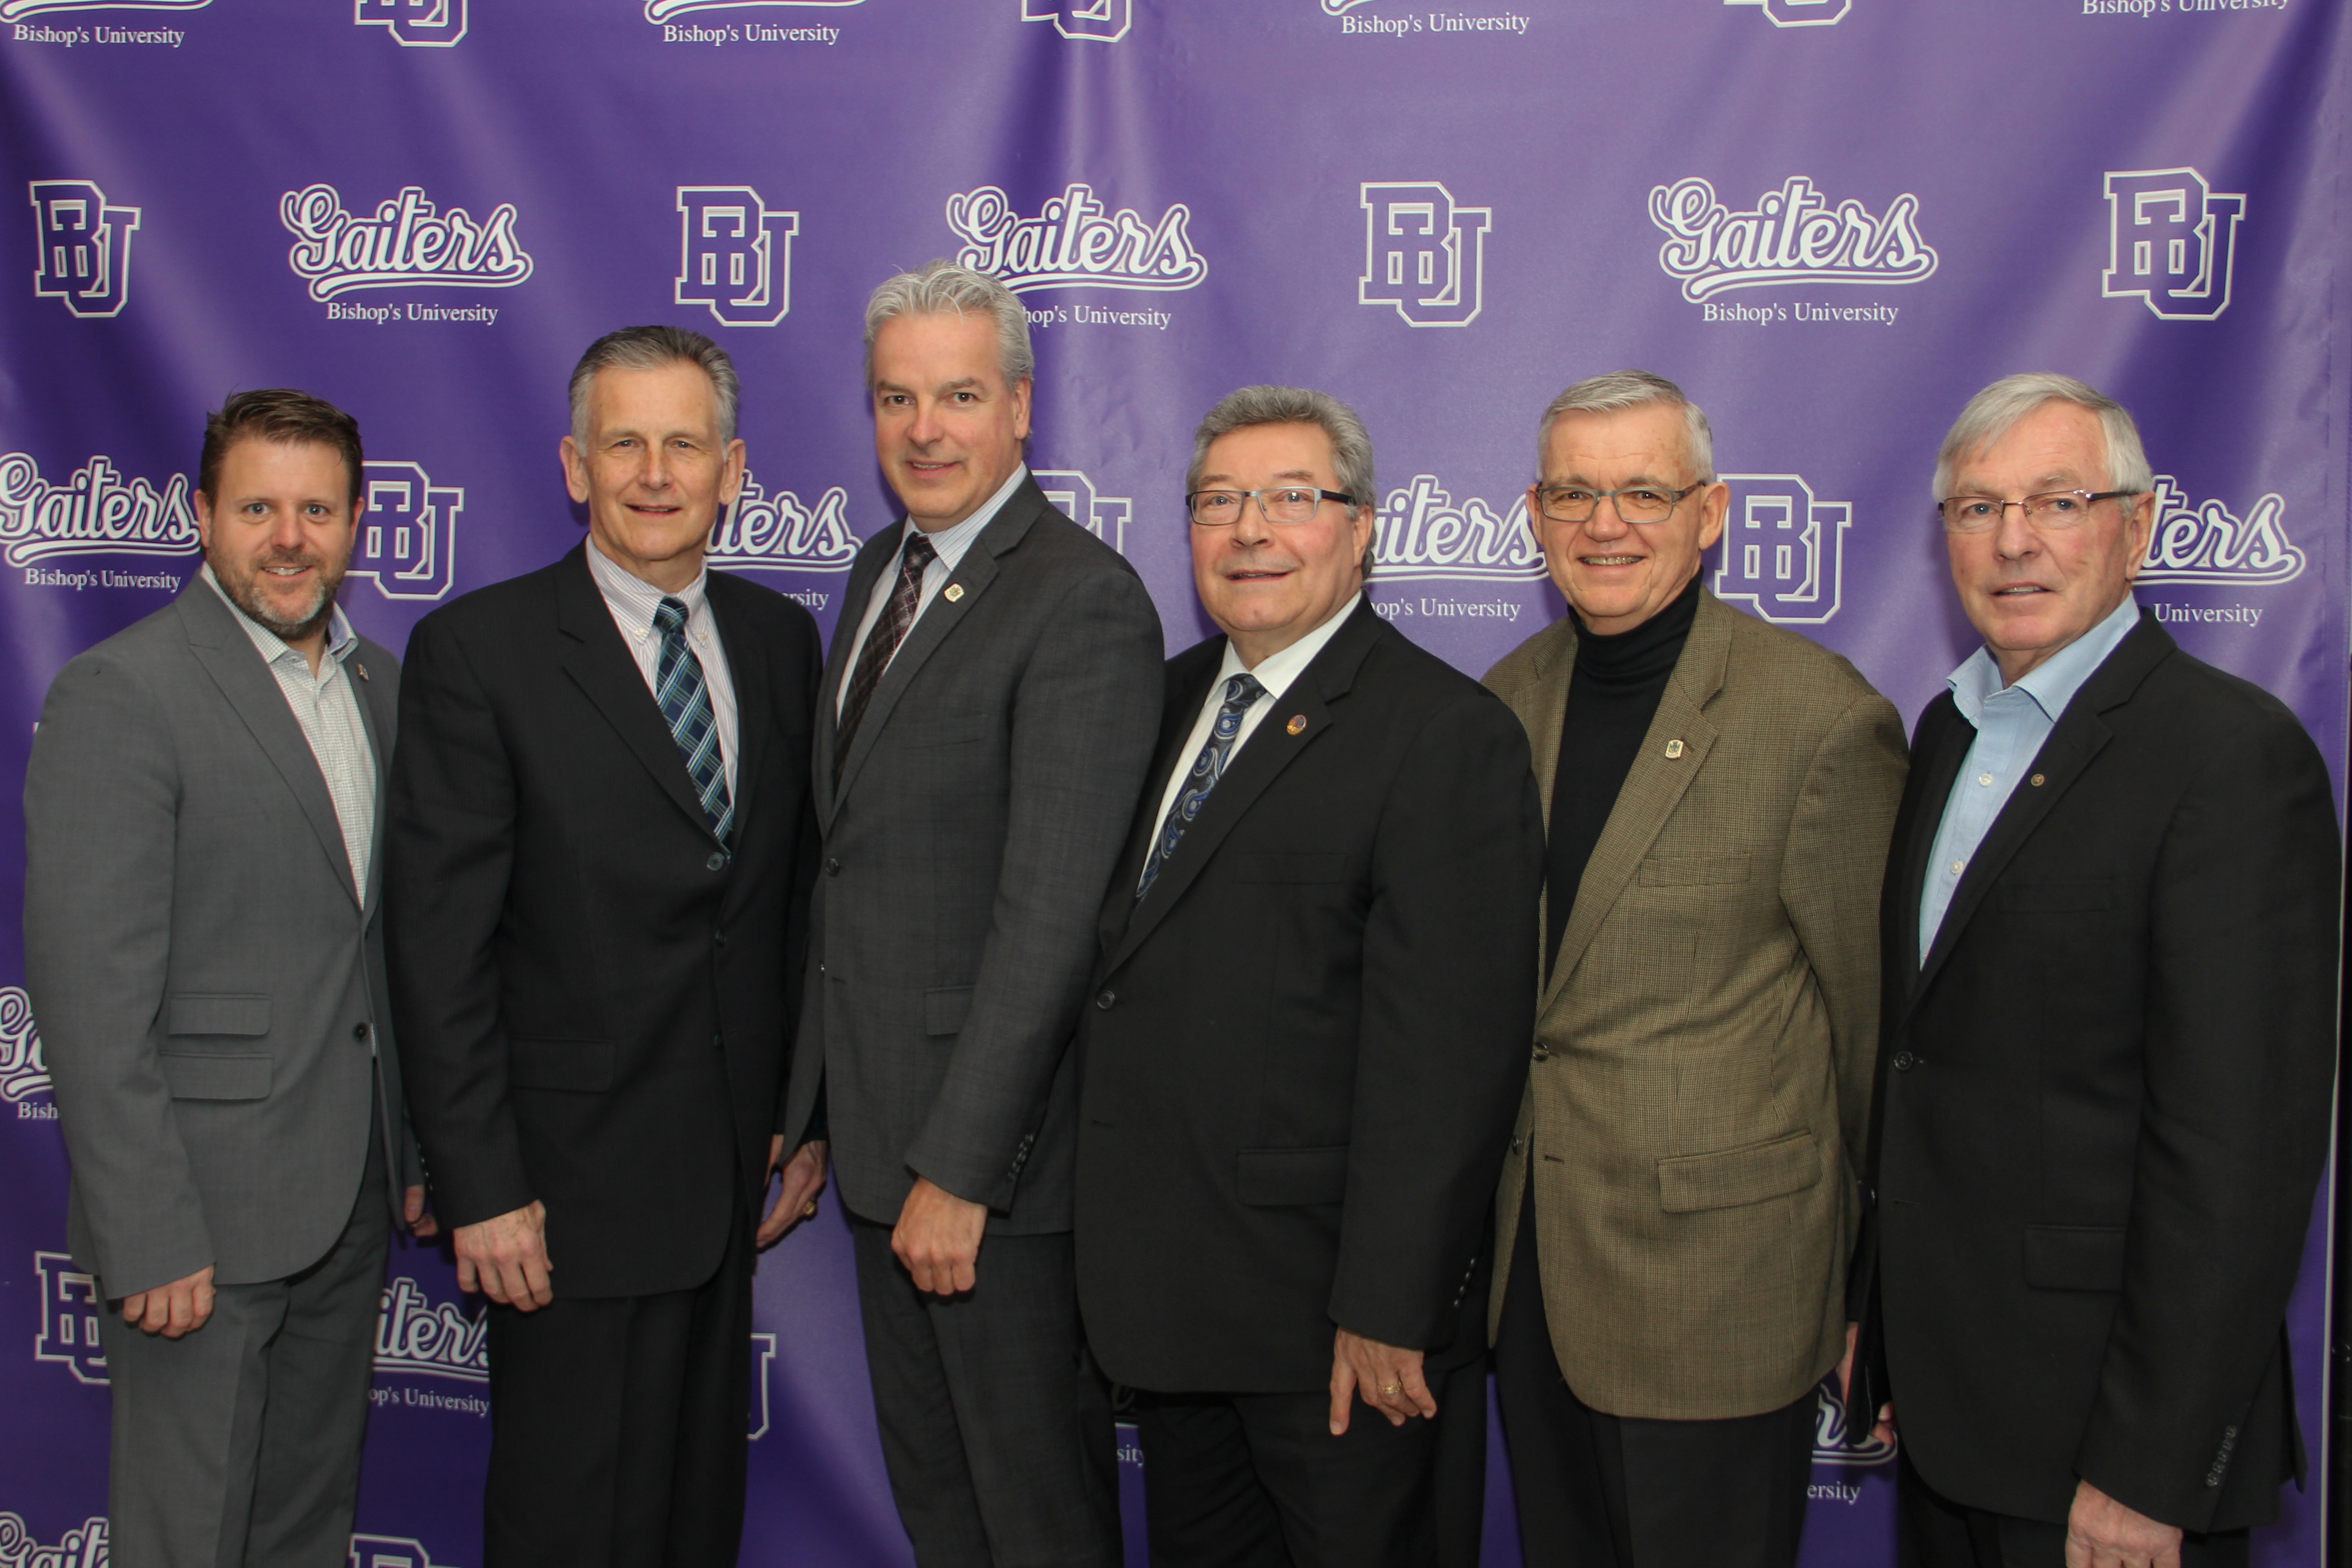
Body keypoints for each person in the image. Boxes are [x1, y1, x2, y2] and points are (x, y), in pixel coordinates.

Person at [1850, 373, 2339, 1568]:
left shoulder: (2227, 757)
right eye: (1974, 509)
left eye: (2056, 501)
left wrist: (2145, 1468)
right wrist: (1889, 1322)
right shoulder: (1946, 732)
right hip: (1951, 1413)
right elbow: (1923, 1062)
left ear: (2141, 526)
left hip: (2103, 1456)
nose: (2012, 540)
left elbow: (2236, 1154)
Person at [1071, 385, 1540, 1568]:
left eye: (1292, 497)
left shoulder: (1443, 733)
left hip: (1334, 1334)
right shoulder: (1160, 702)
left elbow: (1450, 1059)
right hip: (1173, 1310)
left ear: (1363, 524)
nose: (1250, 530)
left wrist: (1388, 1308)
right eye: (1218, 501)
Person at [385, 326, 823, 1568]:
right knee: (569, 1528)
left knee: (694, 1528)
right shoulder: (482, 654)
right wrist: (480, 1184)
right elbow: (439, 945)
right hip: (558, 1204)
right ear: (574, 468)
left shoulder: (781, 642)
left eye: (683, 443)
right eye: (621, 442)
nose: (653, 471)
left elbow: (789, 904)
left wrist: (805, 1110)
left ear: (731, 469)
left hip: (726, 1189)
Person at [1483, 370, 1907, 1568]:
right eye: (1572, 492)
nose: (1602, 524)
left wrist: (1868, 1286)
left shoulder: (1817, 719)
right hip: (1535, 1282)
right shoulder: (1501, 705)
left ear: (1710, 513)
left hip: (1718, 1292)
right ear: (1531, 513)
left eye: (1641, 491)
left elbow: (1874, 1037)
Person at [775, 261, 1162, 1568]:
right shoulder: (881, 565)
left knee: (1033, 1519)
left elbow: (1051, 916)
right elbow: (863, 869)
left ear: (1020, 408)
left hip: (993, 1176)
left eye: (956, 395)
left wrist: (961, 1166)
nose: (923, 427)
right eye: (897, 398)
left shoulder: (1080, 599)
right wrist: (820, 1106)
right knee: (946, 1516)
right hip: (887, 1156)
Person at [24, 387, 433, 1564]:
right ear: (201, 513)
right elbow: (92, 1000)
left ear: (358, 522)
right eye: (257, 507)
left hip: (348, 1203)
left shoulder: (383, 689)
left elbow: (378, 952)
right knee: (187, 1536)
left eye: (316, 509)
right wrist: (146, 1233)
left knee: (306, 1529)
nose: (289, 538)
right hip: (197, 1226)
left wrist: (409, 1156)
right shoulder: (123, 694)